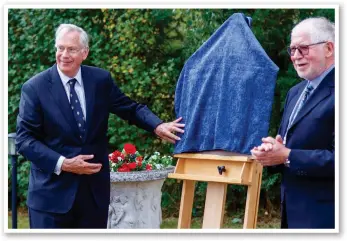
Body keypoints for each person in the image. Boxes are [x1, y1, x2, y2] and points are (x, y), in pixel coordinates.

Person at [15, 23, 185, 229]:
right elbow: (25, 140)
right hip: (50, 198)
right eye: (60, 48)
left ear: (84, 53)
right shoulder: (35, 88)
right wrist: (63, 163)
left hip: (93, 197)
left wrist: (157, 126)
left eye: (71, 49)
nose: (64, 54)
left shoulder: (100, 80)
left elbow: (129, 108)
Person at [251, 17, 335, 229]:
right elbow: (288, 145)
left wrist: (287, 155)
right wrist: (273, 153)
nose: (296, 57)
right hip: (293, 211)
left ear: (329, 48)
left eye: (303, 48)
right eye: (292, 50)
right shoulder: (295, 92)